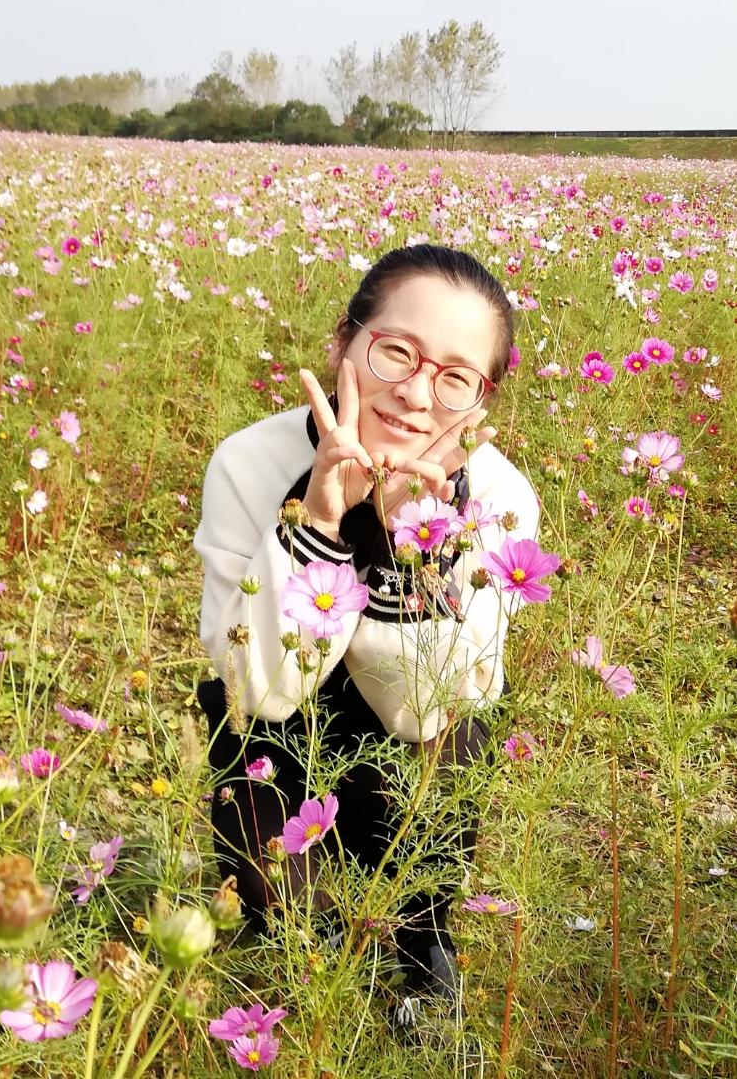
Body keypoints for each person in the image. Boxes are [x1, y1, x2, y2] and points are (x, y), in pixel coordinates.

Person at [193, 244, 542, 1025]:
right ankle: (288, 927)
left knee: (460, 720)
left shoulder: (499, 497)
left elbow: (429, 713)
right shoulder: (251, 464)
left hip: (416, 730)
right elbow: (254, 691)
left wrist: (400, 544)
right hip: (279, 731)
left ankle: (421, 939)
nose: (417, 394)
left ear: (481, 403)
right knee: (292, 943)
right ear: (343, 341)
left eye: (455, 377)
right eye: (396, 352)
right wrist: (320, 520)